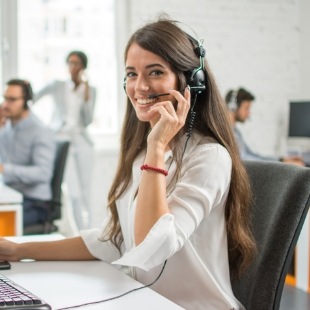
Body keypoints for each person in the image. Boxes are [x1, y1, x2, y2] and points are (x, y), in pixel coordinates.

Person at [0, 18, 256, 310]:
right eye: (132, 74)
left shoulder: (208, 158)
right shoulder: (141, 155)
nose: (140, 86)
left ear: (191, 84)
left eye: (155, 72)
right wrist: (18, 250)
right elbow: (113, 240)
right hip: (144, 300)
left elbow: (153, 248)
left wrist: (156, 147)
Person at [33, 50, 97, 229]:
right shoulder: (57, 85)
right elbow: (33, 98)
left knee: (86, 192)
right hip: (62, 140)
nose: (72, 67)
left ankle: (90, 232)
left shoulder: (90, 90)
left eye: (76, 63)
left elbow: (88, 120)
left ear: (83, 67)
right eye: (69, 63)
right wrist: (46, 128)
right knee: (73, 193)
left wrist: (86, 98)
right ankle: (79, 234)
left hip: (82, 141)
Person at [0, 79, 56, 228]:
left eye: (12, 100)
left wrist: (5, 169)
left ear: (26, 101)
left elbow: (43, 173)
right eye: (5, 98)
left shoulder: (40, 131)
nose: (5, 104)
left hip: (35, 202)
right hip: (11, 197)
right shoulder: (6, 127)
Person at [225, 87, 305, 165]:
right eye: (246, 108)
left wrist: (282, 160)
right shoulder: (228, 133)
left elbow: (253, 155)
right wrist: (284, 164)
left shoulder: (236, 132)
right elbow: (246, 159)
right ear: (233, 107)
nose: (249, 113)